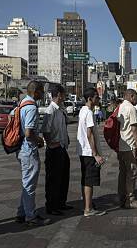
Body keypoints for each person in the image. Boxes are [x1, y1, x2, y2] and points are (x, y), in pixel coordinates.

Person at [15, 81, 50, 226]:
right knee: (29, 185)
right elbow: (29, 133)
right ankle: (31, 217)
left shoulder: (21, 104)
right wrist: (39, 140)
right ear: (36, 92)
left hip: (21, 149)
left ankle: (22, 213)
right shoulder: (30, 107)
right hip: (28, 150)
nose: (42, 95)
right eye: (41, 92)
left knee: (26, 183)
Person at [41, 84, 72, 216]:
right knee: (54, 179)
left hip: (62, 147)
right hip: (54, 149)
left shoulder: (60, 109)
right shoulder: (50, 110)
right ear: (59, 94)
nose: (65, 97)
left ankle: (61, 202)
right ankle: (52, 205)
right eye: (64, 94)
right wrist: (50, 144)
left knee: (64, 177)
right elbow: (45, 130)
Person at [77, 88, 106, 216]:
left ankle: (87, 205)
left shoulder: (83, 110)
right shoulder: (88, 112)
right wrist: (96, 154)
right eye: (96, 97)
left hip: (83, 151)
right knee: (89, 180)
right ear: (90, 99)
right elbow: (89, 134)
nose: (98, 99)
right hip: (89, 152)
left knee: (85, 179)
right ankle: (88, 209)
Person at [117, 89, 137, 208]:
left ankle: (122, 198)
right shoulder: (131, 109)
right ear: (132, 96)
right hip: (129, 146)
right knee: (132, 173)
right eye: (136, 97)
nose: (136, 99)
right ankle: (130, 200)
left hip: (120, 145)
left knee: (122, 173)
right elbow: (135, 129)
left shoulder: (120, 107)